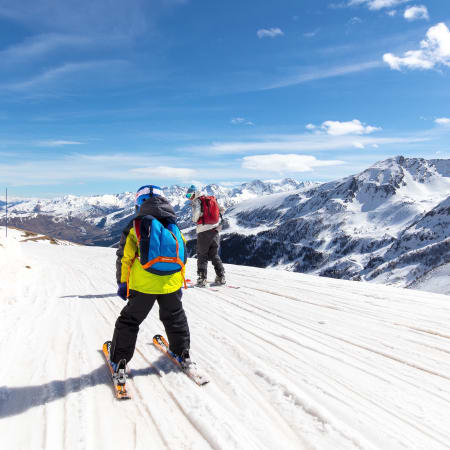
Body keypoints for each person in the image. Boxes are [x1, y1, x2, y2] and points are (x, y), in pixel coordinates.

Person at [108, 185, 191, 379]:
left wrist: (122, 284)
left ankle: (119, 361)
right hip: (170, 284)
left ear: (139, 203)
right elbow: (183, 253)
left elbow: (124, 257)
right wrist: (179, 282)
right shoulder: (173, 224)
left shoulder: (136, 224)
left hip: (143, 285)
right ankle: (183, 353)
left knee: (130, 320)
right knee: (175, 318)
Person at [186, 184, 226, 287]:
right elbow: (223, 209)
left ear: (195, 193)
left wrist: (197, 216)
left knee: (202, 255)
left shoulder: (197, 201)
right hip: (215, 230)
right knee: (214, 254)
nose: (189, 197)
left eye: (190, 195)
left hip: (203, 232)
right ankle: (221, 277)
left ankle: (202, 279)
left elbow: (195, 218)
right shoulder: (211, 199)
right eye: (187, 196)